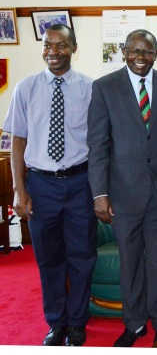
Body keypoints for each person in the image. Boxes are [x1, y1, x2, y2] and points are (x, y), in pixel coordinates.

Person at [3, 24, 97, 346]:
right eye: (47, 45)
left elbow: (100, 143)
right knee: (49, 258)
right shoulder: (25, 88)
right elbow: (17, 141)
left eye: (60, 45)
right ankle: (56, 323)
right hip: (41, 185)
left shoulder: (90, 88)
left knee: (82, 256)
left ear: (73, 48)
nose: (52, 52)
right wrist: (19, 188)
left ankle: (78, 322)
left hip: (80, 182)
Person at [87, 29, 157, 346]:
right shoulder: (104, 87)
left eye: (148, 51)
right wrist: (99, 194)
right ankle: (135, 324)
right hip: (123, 193)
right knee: (130, 262)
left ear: (156, 53)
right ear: (123, 51)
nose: (141, 57)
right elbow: (97, 146)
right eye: (135, 51)